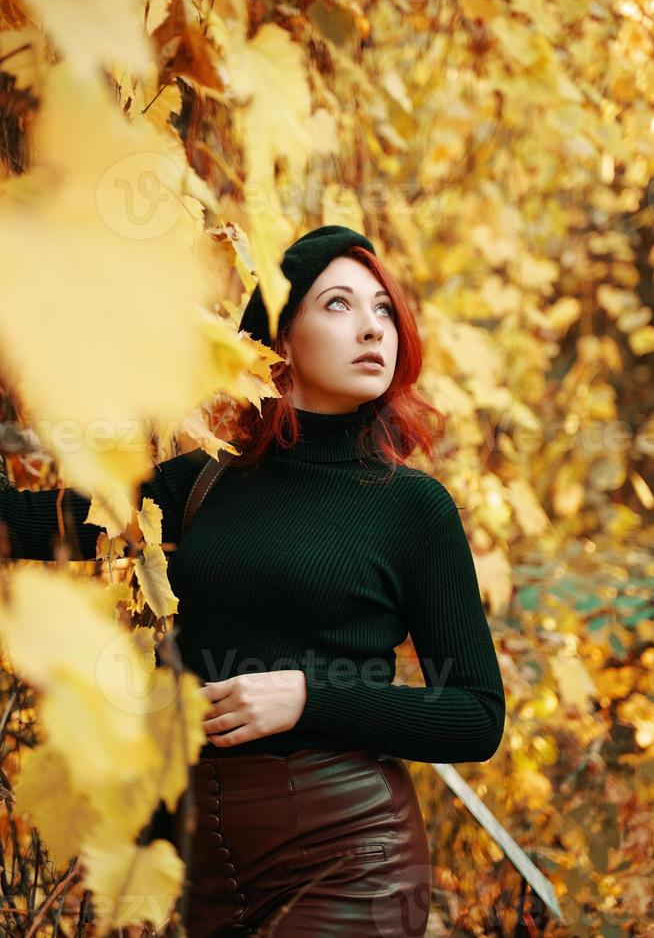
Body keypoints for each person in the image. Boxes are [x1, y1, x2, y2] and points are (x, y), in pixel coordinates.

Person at [0, 225, 506, 937]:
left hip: (352, 858)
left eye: (384, 309)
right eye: (338, 305)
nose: (372, 327)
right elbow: (29, 525)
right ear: (280, 342)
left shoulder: (411, 508)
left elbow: (477, 715)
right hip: (216, 878)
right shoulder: (204, 481)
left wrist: (309, 696)